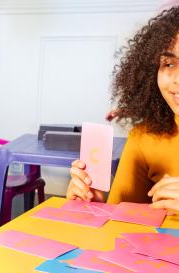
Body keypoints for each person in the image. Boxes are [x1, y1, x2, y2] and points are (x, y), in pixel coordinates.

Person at [67, 6, 179, 213]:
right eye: (169, 64)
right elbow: (120, 221)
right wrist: (92, 206)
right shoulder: (144, 138)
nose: (177, 80)